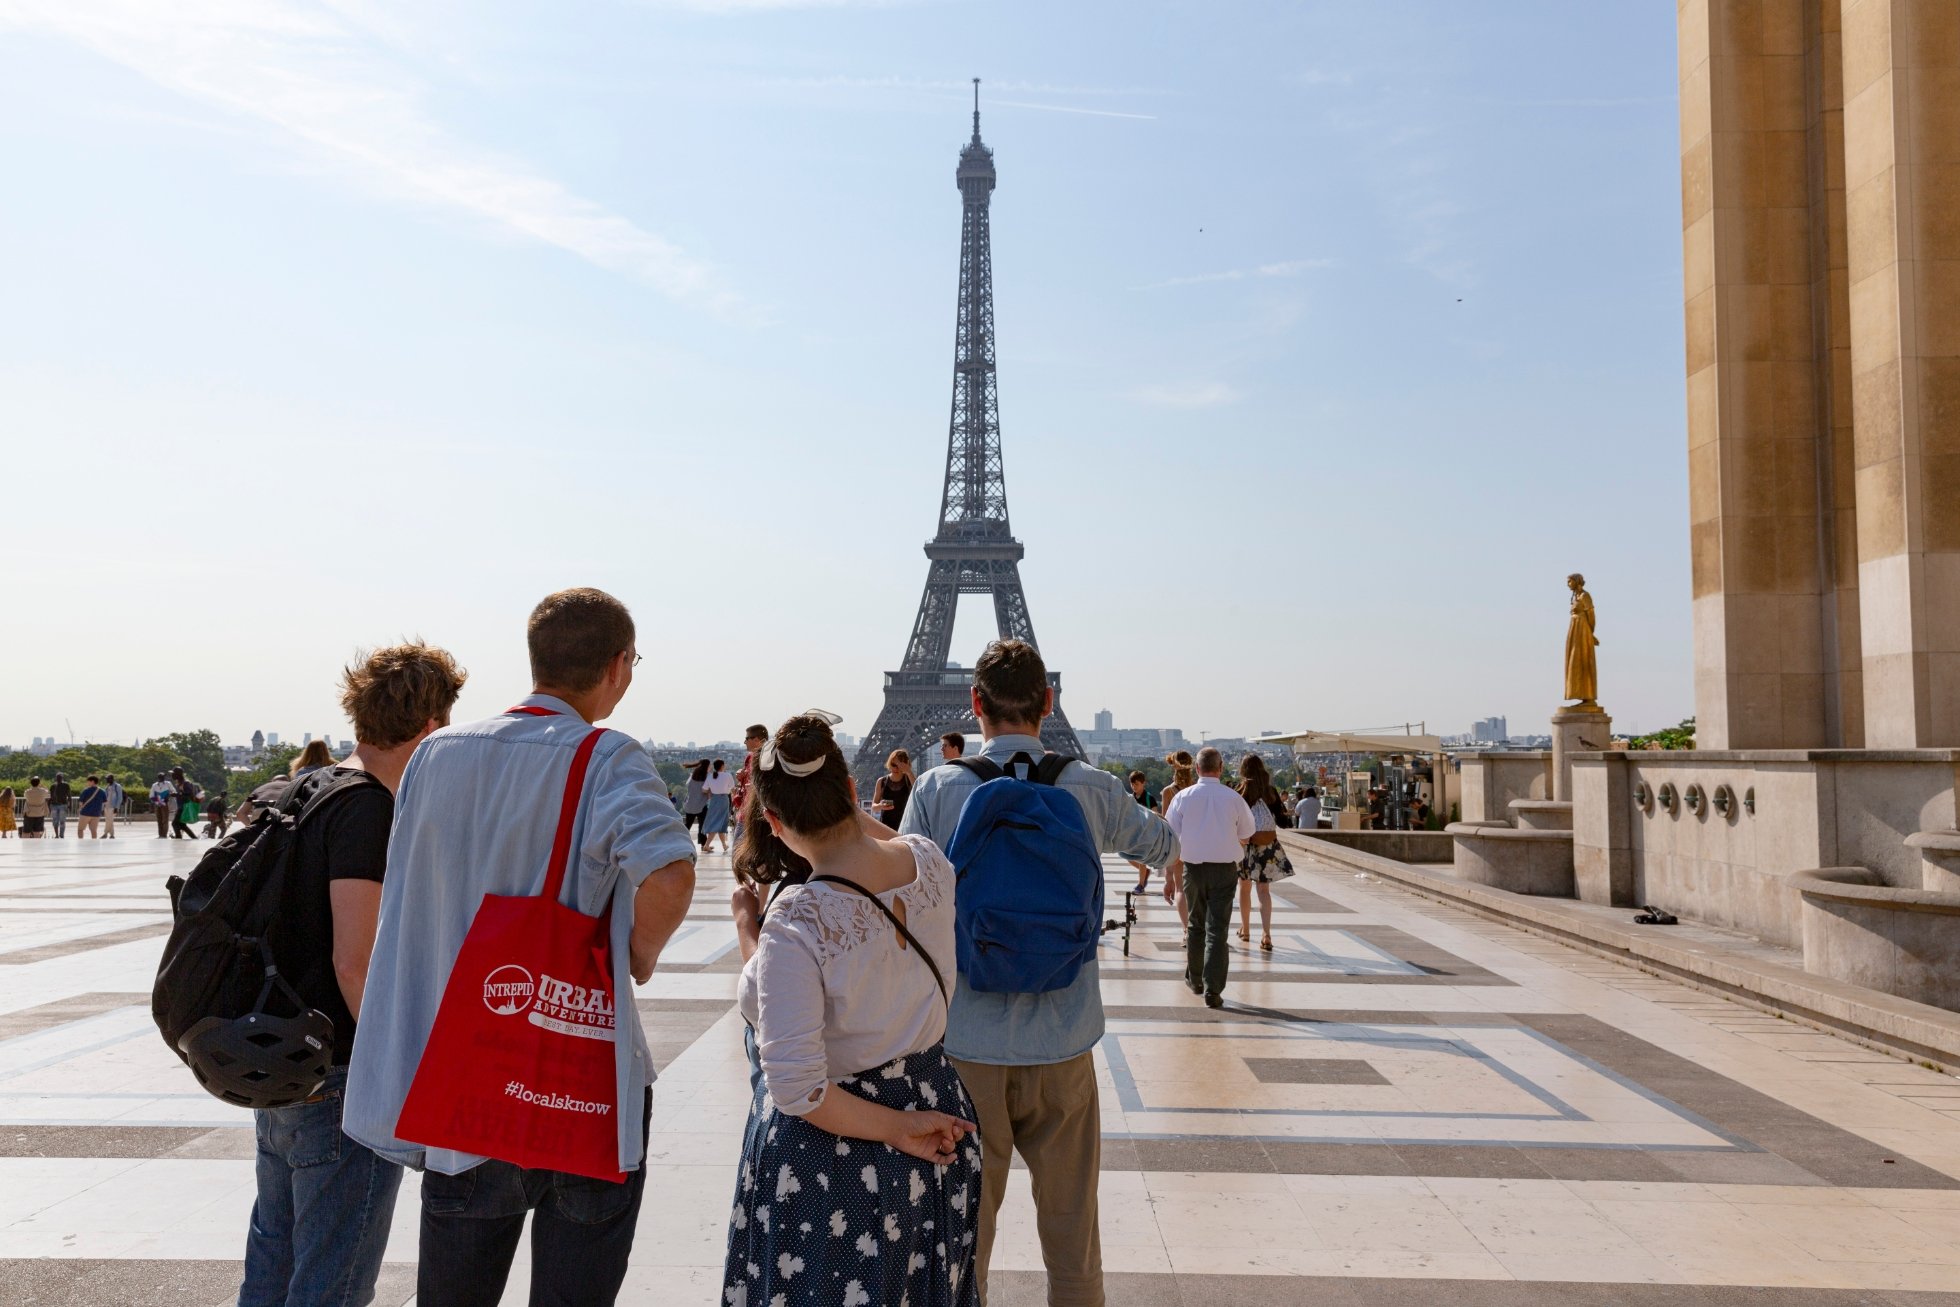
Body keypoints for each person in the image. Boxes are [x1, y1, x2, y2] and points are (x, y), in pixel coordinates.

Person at [344, 587, 697, 1307]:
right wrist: (638, 954)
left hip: (466, 1073)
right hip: (582, 1074)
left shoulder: (437, 753)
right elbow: (670, 869)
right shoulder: (607, 756)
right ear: (619, 666)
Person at [901, 638, 1179, 1307]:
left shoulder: (937, 789)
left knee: (964, 1242)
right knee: (1073, 1238)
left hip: (966, 1049)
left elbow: (903, 901)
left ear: (975, 706)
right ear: (1048, 703)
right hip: (1065, 1043)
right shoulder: (1089, 786)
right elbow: (1166, 845)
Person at [235, 641, 467, 1307]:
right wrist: (398, 1071)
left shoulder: (290, 788)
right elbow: (354, 960)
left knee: (272, 1264)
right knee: (332, 1282)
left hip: (275, 1064)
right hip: (338, 1079)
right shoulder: (366, 806)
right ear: (430, 727)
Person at [724, 713, 981, 1307]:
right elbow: (869, 835)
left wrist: (746, 924)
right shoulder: (928, 862)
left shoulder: (798, 918)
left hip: (835, 1157)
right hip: (937, 1107)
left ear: (773, 823)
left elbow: (796, 1089)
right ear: (849, 789)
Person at [1164, 747, 1255, 1010]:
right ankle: (1213, 990)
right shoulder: (1233, 798)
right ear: (1221, 767)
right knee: (1218, 929)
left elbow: (1171, 835)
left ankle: (1195, 979)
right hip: (1225, 868)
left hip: (1193, 868)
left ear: (1196, 769)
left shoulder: (1183, 797)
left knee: (1195, 924)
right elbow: (1247, 832)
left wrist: (1169, 875)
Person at [1234, 755, 1294, 952]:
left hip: (1245, 845)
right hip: (1267, 845)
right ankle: (1266, 934)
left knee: (1244, 888)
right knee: (1263, 891)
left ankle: (1246, 929)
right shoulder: (1270, 792)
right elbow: (1284, 822)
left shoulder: (1240, 791)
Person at [1157, 751, 1197, 932]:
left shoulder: (1168, 792)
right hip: (1198, 844)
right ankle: (1199, 928)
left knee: (1180, 889)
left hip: (1179, 845)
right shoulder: (1197, 789)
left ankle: (1186, 930)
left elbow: (1167, 824)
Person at [730, 723, 766, 845]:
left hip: (756, 811)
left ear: (756, 739)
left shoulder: (767, 757)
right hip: (747, 809)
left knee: (738, 848)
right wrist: (742, 776)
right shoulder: (750, 757)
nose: (744, 742)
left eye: (747, 738)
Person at [872, 748, 915, 830]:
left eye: (899, 765)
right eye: (893, 764)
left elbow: (918, 792)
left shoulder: (909, 779)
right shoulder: (881, 781)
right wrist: (880, 806)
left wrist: (909, 771)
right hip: (886, 826)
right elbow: (873, 807)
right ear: (889, 763)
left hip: (905, 826)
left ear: (906, 765)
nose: (896, 768)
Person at [1126, 770, 1155, 892]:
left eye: (1136, 784)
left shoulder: (1149, 798)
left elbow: (1155, 815)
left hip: (1145, 833)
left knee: (1141, 859)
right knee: (1128, 857)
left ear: (1144, 783)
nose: (1134, 787)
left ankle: (1141, 885)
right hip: (1133, 833)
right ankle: (1145, 873)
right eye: (1132, 784)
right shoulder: (1130, 798)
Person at [701, 757, 735, 853]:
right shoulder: (727, 775)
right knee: (719, 822)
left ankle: (724, 845)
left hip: (714, 799)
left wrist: (711, 792)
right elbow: (732, 788)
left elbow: (704, 789)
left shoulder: (710, 776)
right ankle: (707, 845)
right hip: (723, 799)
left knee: (718, 822)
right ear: (722, 766)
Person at [683, 759, 710, 849]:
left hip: (690, 804)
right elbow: (707, 790)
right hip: (702, 805)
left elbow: (688, 786)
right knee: (702, 826)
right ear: (707, 766)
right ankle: (703, 844)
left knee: (687, 825)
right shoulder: (707, 778)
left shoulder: (692, 776)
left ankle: (682, 841)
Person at [169, 768, 201, 840]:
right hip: (181, 806)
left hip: (184, 807)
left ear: (178, 774)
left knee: (175, 824)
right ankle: (194, 838)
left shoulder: (186, 783)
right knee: (182, 825)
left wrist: (177, 794)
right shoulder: (180, 783)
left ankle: (178, 838)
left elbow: (189, 794)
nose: (172, 775)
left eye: (173, 774)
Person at [47, 772, 70, 838]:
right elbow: (51, 797)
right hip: (54, 805)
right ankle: (56, 834)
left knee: (62, 821)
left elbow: (69, 795)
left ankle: (61, 834)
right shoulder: (53, 786)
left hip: (63, 805)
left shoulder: (66, 785)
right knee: (55, 821)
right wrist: (49, 806)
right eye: (57, 777)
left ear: (62, 778)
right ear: (56, 778)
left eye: (60, 777)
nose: (58, 778)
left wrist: (69, 804)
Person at [151, 773, 173, 837]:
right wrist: (159, 802)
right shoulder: (154, 785)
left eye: (163, 777)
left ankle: (164, 834)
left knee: (165, 819)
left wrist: (168, 796)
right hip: (158, 804)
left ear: (164, 777)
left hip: (165, 804)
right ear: (158, 777)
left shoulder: (168, 784)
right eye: (160, 777)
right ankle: (160, 834)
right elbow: (151, 795)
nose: (161, 778)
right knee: (159, 819)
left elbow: (173, 791)